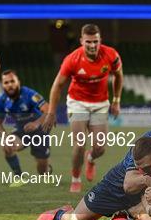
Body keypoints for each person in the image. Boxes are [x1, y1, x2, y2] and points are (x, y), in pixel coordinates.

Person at [41, 24, 124, 193]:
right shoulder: (72, 59)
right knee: (80, 144)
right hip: (77, 102)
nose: (92, 45)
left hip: (100, 103)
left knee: (100, 148)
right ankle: (76, 178)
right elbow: (57, 85)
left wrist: (116, 100)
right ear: (81, 41)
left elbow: (118, 76)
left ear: (100, 40)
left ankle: (91, 158)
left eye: (95, 41)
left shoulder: (111, 55)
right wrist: (51, 112)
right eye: (88, 42)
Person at [0, 70, 52, 186]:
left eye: (12, 81)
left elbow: (48, 109)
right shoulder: (2, 101)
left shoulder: (30, 94)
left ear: (18, 82)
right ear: (2, 85)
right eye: (6, 82)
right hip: (21, 130)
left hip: (39, 130)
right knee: (7, 146)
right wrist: (4, 136)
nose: (10, 85)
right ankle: (19, 177)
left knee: (42, 171)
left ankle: (46, 169)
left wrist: (36, 123)